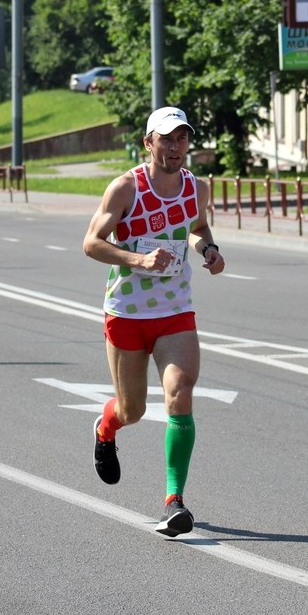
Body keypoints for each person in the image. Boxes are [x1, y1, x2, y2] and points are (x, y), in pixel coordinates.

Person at [82, 106, 225, 537]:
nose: (175, 146)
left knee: (180, 393)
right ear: (149, 143)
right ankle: (105, 428)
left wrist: (209, 250)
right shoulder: (126, 187)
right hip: (127, 310)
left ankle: (174, 500)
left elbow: (197, 227)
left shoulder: (196, 188)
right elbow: (91, 243)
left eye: (182, 138)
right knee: (134, 409)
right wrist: (138, 258)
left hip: (175, 310)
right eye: (166, 138)